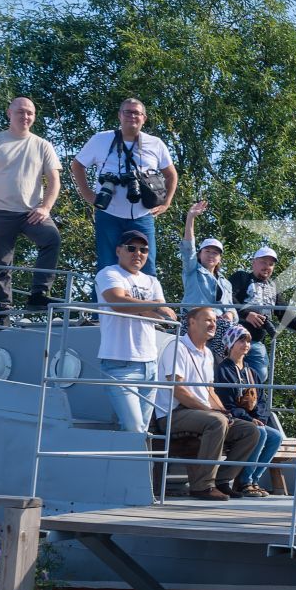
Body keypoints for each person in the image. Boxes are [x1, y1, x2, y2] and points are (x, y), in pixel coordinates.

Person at [153, 307, 261, 500]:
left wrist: (224, 411)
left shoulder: (208, 354)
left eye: (215, 321)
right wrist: (212, 412)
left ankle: (221, 481)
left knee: (249, 431)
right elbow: (177, 388)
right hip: (174, 414)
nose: (213, 324)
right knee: (216, 422)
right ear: (192, 322)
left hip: (200, 414)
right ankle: (202, 486)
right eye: (208, 320)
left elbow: (210, 390)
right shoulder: (177, 347)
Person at [0, 96, 61, 321]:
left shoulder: (42, 145)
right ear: (9, 113)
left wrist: (45, 208)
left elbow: (54, 180)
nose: (25, 116)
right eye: (20, 112)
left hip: (31, 211)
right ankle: (3, 313)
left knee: (51, 238)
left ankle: (38, 294)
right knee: (1, 264)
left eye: (29, 112)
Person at [69, 98, 178, 272]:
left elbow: (171, 175)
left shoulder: (155, 143)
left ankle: (148, 300)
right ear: (119, 115)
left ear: (144, 118)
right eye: (127, 112)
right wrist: (88, 194)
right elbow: (77, 165)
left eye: (137, 113)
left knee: (147, 266)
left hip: (142, 215)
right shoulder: (100, 139)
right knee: (107, 266)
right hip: (109, 213)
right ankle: (105, 300)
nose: (132, 116)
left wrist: (166, 203)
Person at [94, 228, 175, 434]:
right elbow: (118, 302)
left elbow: (163, 318)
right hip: (119, 363)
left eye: (143, 249)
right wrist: (152, 305)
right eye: (132, 248)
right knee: (135, 429)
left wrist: (136, 304)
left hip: (150, 364)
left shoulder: (152, 281)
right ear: (119, 250)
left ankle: (127, 466)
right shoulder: (109, 273)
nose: (138, 253)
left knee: (140, 431)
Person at [213, 325, 284, 498]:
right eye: (241, 340)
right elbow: (226, 403)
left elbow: (261, 400)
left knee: (276, 436)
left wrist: (259, 417)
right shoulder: (223, 370)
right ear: (230, 343)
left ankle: (253, 479)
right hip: (233, 419)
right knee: (259, 432)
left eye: (248, 341)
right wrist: (250, 419)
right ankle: (245, 482)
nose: (246, 344)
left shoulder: (251, 372)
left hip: (252, 421)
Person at [228, 244, 296, 390]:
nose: (267, 266)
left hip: (256, 341)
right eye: (263, 262)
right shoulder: (242, 277)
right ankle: (230, 402)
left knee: (260, 374)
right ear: (254, 262)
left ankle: (248, 403)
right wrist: (247, 314)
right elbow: (228, 298)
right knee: (229, 372)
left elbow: (283, 311)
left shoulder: (273, 288)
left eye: (271, 264)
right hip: (234, 337)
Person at [180, 200, 237, 326]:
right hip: (195, 322)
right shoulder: (192, 271)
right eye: (207, 251)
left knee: (242, 336)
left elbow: (230, 307)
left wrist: (230, 314)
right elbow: (188, 248)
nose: (211, 255)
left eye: (215, 253)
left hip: (218, 325)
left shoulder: (225, 283)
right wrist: (190, 218)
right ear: (199, 254)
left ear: (220, 258)